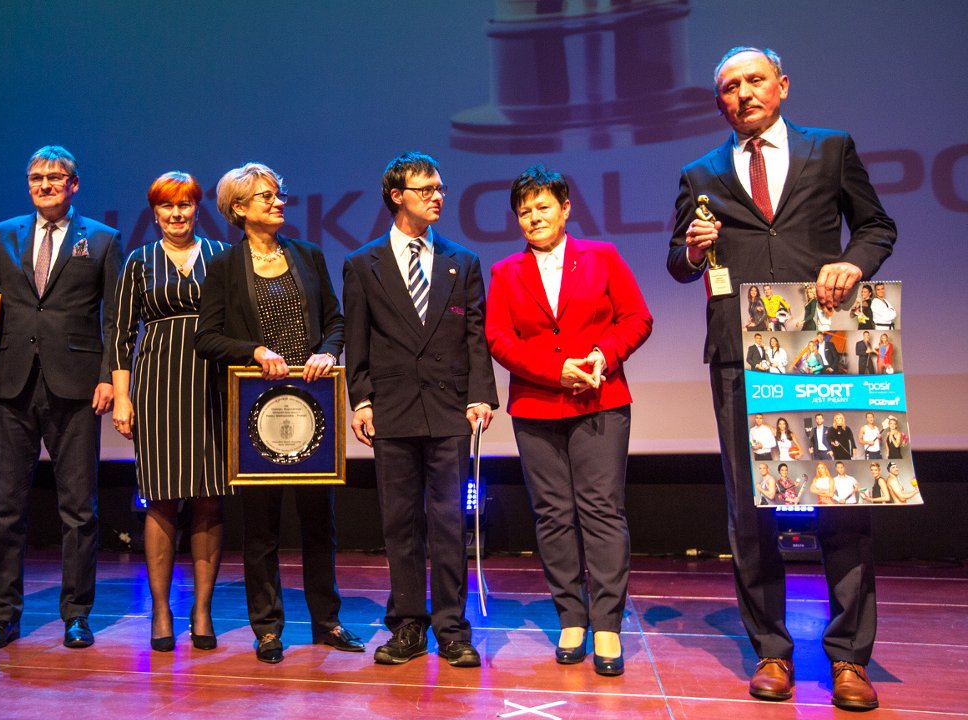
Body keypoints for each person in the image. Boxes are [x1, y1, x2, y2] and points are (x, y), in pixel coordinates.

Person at [666, 47, 895, 709]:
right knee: (751, 509)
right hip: (742, 351)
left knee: (840, 502)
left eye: (755, 80)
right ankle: (771, 651)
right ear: (720, 102)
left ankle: (850, 658)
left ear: (783, 87)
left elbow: (877, 225)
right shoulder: (699, 172)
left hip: (822, 344)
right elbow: (681, 265)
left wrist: (852, 264)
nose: (743, 93)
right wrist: (692, 249)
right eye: (730, 87)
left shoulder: (831, 149)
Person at [485, 165, 652, 677]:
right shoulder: (504, 272)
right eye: (524, 211)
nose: (533, 217)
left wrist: (601, 357)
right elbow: (499, 340)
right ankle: (570, 616)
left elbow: (637, 318)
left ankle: (606, 623)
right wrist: (556, 372)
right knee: (554, 514)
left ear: (565, 209)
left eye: (543, 207)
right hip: (537, 407)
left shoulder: (602, 257)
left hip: (601, 402)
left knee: (601, 511)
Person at [195, 162, 361, 664]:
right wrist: (254, 351)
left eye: (278, 194)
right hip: (255, 413)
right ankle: (267, 628)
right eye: (265, 196)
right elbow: (207, 337)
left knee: (319, 524)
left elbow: (335, 321)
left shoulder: (307, 255)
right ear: (238, 209)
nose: (277, 202)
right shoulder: (226, 266)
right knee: (262, 527)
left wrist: (329, 352)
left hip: (313, 405)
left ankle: (326, 620)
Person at [0, 146, 122, 653]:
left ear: (75, 184)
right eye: (36, 177)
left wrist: (109, 377)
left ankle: (76, 614)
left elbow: (113, 318)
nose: (45, 184)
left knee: (79, 509)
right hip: (10, 383)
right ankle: (2, 616)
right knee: (5, 508)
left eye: (55, 177)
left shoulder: (101, 238)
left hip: (76, 385)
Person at [343, 151, 498, 669]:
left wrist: (480, 394)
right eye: (426, 188)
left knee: (450, 521)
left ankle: (452, 628)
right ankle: (408, 624)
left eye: (440, 188)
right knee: (400, 522)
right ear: (397, 196)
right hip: (392, 408)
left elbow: (476, 335)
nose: (438, 196)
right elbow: (357, 341)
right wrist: (360, 399)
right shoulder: (363, 263)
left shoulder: (463, 260)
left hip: (449, 407)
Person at [109, 172, 230, 652]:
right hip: (158, 384)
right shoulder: (138, 263)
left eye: (185, 205)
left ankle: (202, 610)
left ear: (197, 208)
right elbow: (119, 334)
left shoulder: (221, 256)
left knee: (209, 498)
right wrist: (123, 397)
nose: (177, 214)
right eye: (167, 207)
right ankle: (161, 610)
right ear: (154, 211)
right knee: (160, 498)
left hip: (214, 382)